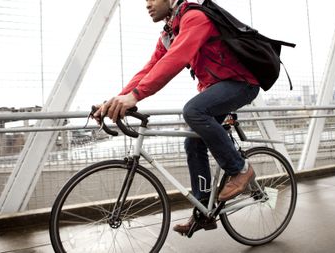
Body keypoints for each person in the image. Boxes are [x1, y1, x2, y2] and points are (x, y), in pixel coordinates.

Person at [93, 0, 259, 235]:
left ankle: (240, 169)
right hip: (216, 87)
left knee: (193, 111)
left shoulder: (195, 18)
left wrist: (136, 96)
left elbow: (176, 59)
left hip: (241, 83)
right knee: (192, 141)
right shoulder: (169, 33)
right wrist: (117, 100)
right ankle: (203, 212)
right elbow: (150, 68)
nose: (147, 4)